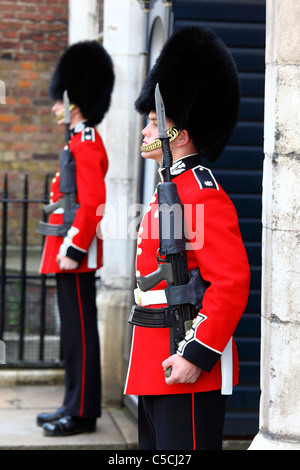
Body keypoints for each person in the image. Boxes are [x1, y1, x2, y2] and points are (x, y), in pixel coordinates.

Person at [124, 26, 250, 450]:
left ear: (180, 132)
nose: (145, 131)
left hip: (185, 361)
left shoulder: (202, 192)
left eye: (155, 122)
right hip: (155, 357)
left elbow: (230, 284)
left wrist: (196, 355)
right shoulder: (170, 189)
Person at [36, 40, 114, 437]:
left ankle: (82, 413)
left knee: (80, 334)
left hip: (75, 253)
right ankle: (71, 403)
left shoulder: (85, 143)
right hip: (69, 251)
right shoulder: (77, 140)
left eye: (59, 100)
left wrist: (74, 247)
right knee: (72, 334)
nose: (53, 107)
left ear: (76, 102)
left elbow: (93, 202)